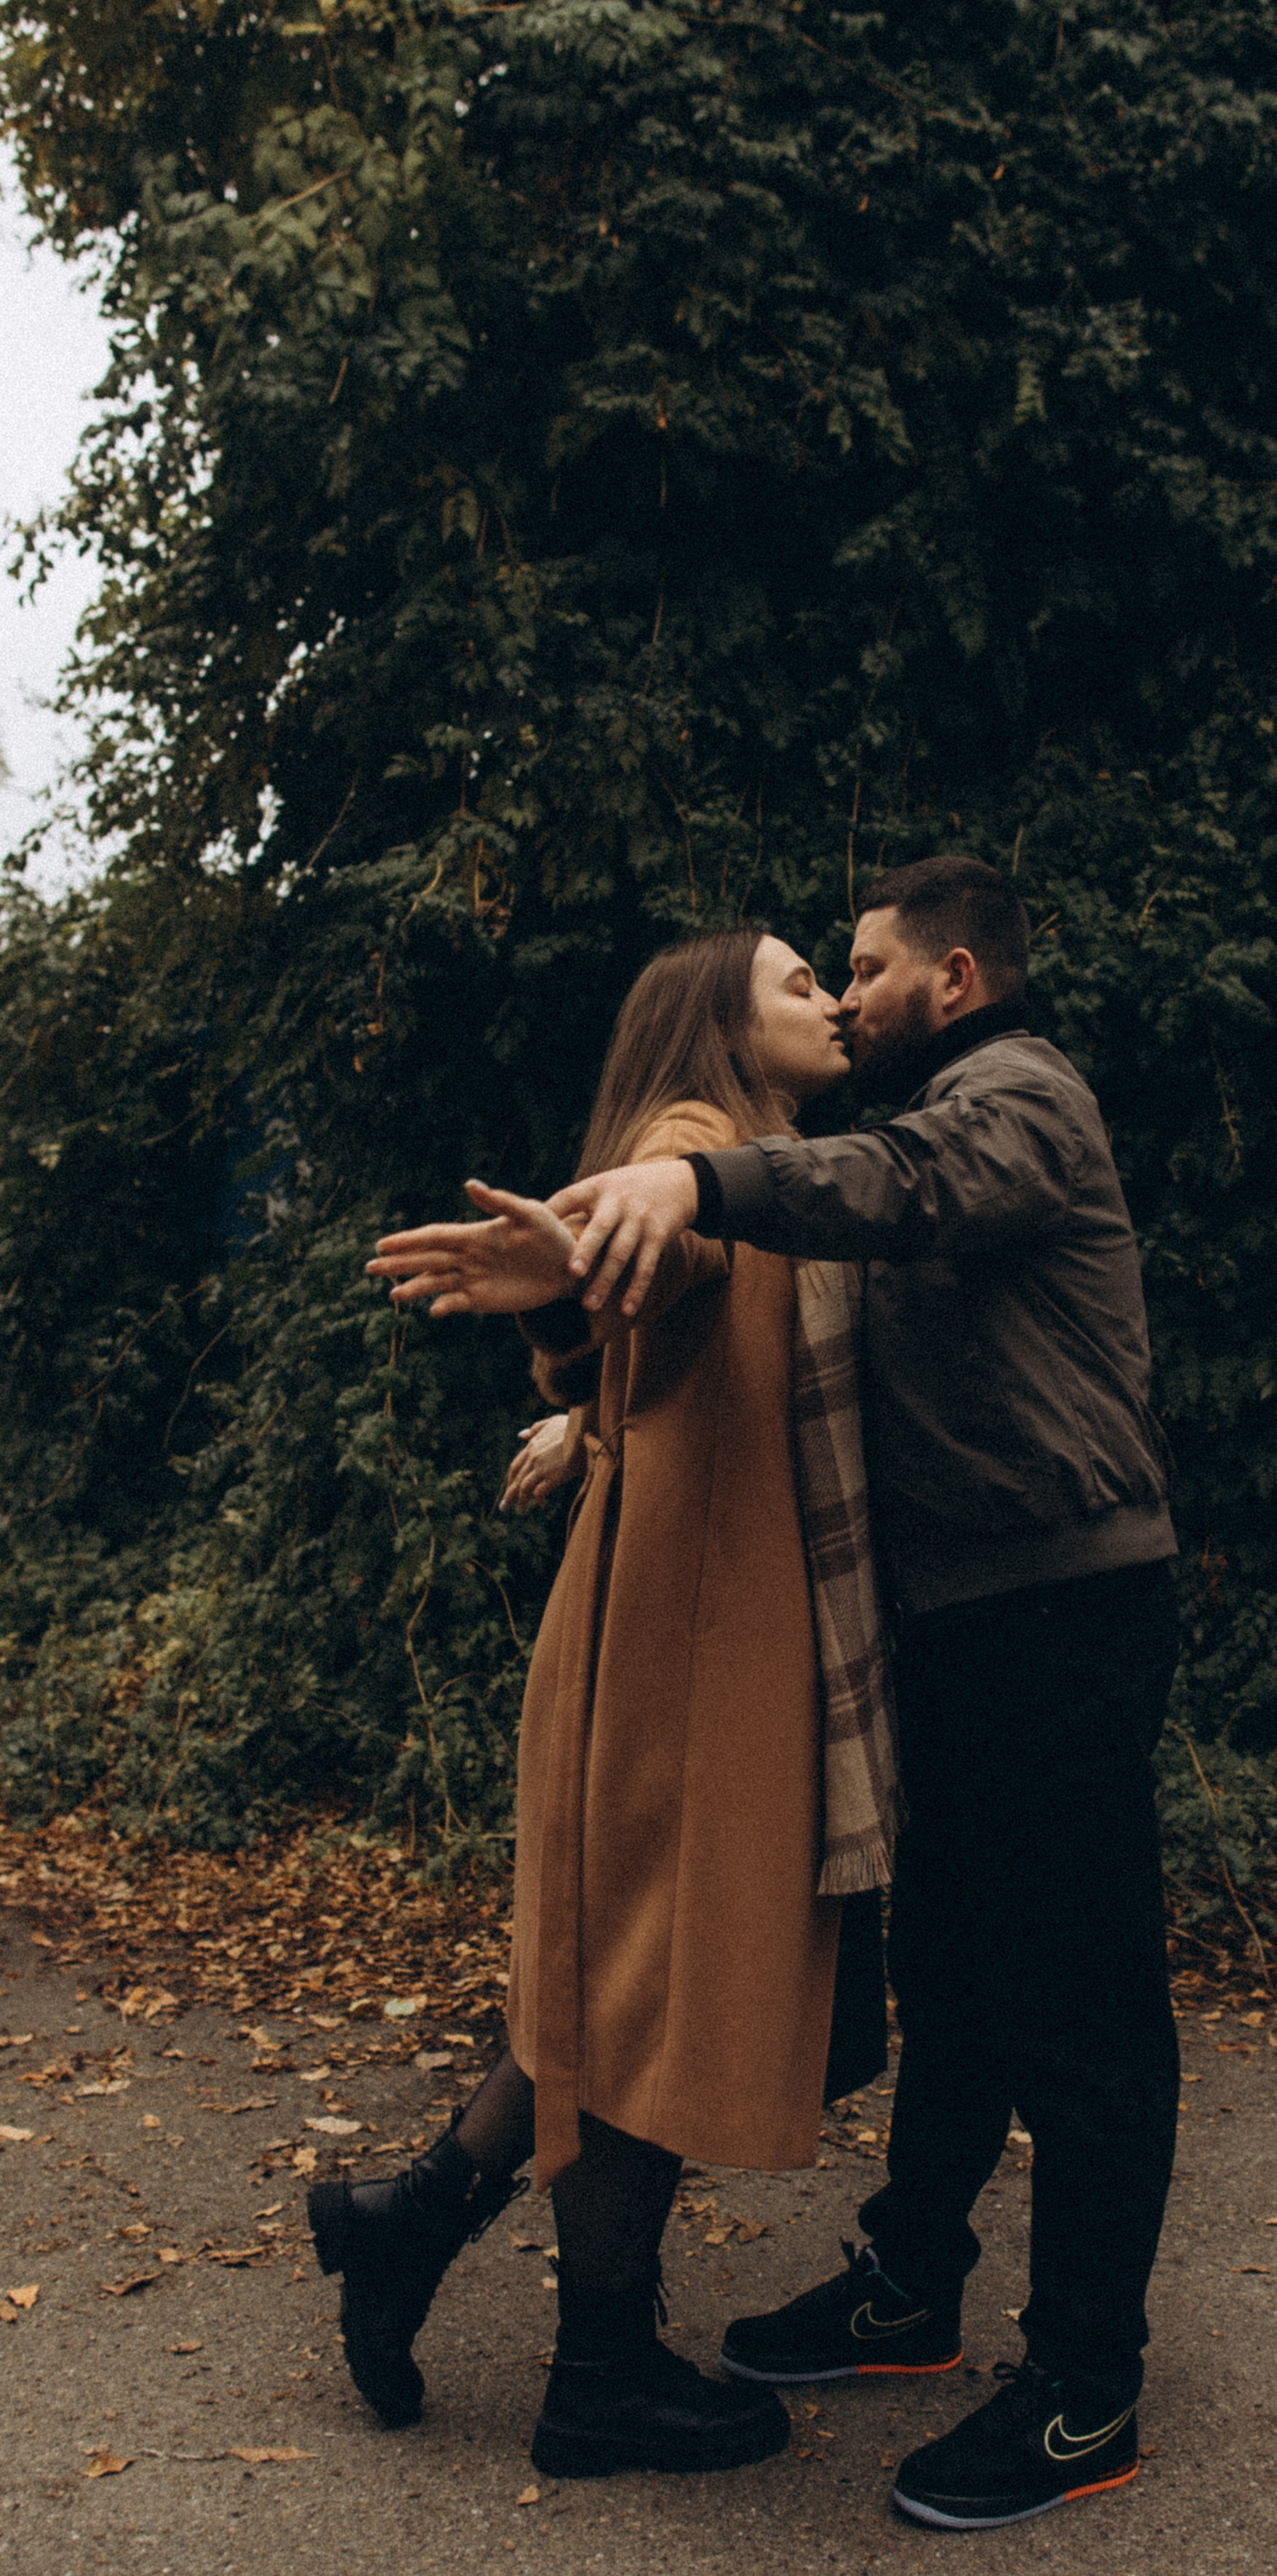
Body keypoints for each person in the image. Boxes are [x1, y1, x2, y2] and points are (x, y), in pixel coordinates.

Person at [446, 857, 1181, 2534]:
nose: (845, 996)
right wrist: (583, 1367)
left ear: (957, 974)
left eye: (862, 967)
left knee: (1076, 2013)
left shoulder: (1014, 1094)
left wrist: (702, 1188)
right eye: (822, 972)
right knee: (957, 1984)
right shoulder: (854, 1172)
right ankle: (908, 2294)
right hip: (956, 1621)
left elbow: (892, 1189)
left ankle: (1084, 2391)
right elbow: (750, 1356)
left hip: (1065, 1601)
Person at [342, 930, 898, 2482]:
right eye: (798, 983)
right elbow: (667, 1258)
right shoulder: (695, 1145)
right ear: (716, 1027)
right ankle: (592, 2376)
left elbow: (683, 1357)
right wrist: (581, 1300)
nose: (831, 1003)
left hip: (697, 1623)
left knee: (616, 1989)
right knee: (640, 1993)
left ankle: (408, 2228)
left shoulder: (770, 1156)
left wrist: (583, 1393)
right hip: (686, 1640)